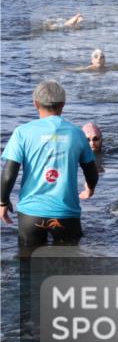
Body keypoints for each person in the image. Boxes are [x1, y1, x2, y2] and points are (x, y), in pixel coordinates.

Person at [0, 80, 99, 252]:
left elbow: (9, 174)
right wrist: (90, 188)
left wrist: (3, 201)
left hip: (31, 215)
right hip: (66, 214)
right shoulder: (76, 133)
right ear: (63, 104)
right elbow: (91, 172)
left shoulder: (22, 132)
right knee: (69, 268)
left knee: (28, 268)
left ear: (35, 103)